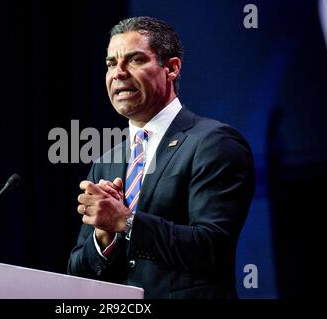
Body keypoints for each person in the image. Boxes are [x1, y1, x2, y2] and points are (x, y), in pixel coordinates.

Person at [67, 16, 255, 299]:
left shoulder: (214, 142)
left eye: (135, 60)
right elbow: (77, 274)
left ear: (171, 68)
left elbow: (212, 247)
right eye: (110, 63)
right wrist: (103, 236)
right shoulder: (106, 161)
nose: (118, 72)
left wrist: (127, 222)